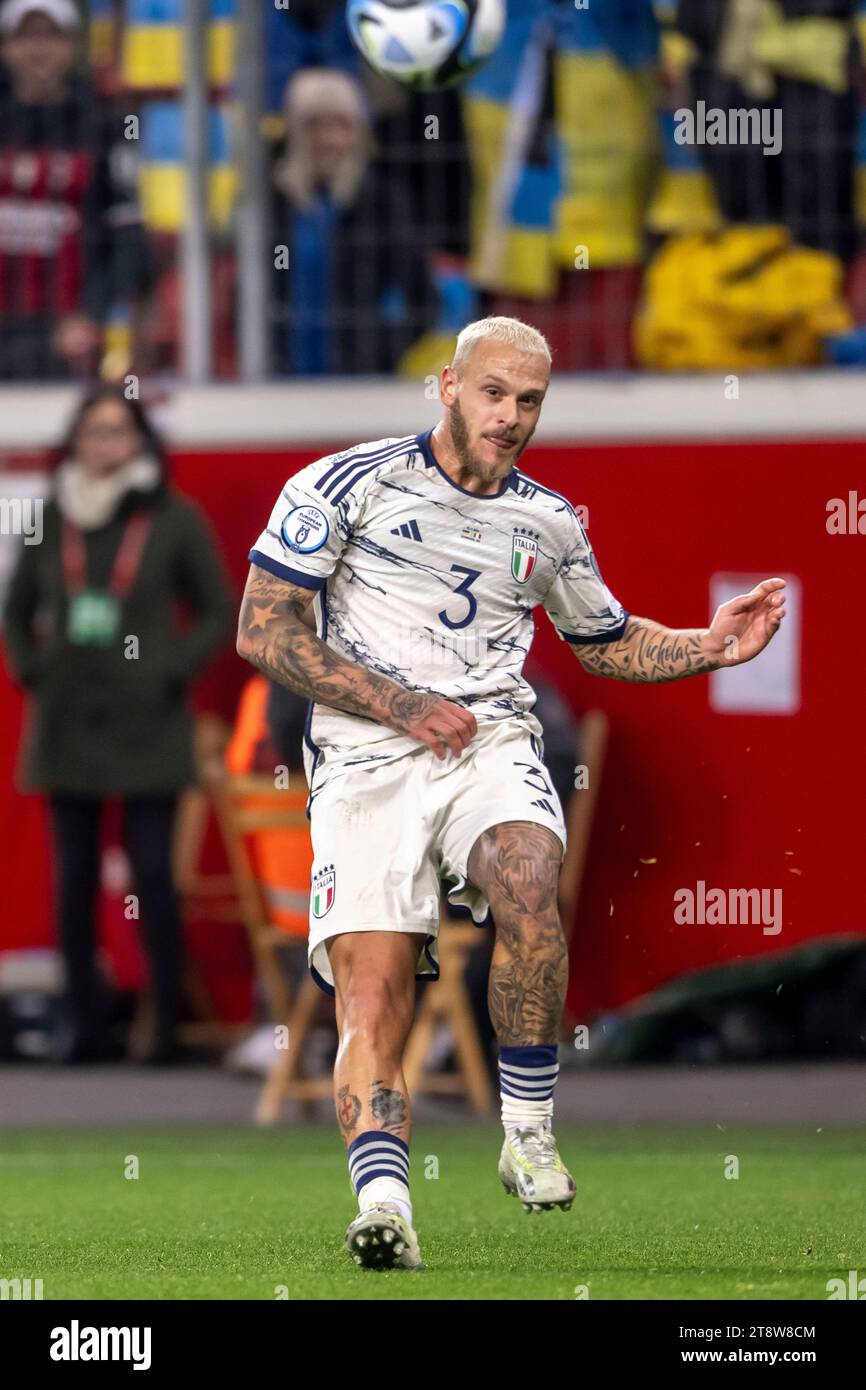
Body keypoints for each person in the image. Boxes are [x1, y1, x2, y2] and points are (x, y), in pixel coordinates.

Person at [236, 315, 786, 1271]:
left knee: (530, 877)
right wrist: (403, 702)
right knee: (373, 995)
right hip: (366, 758)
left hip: (487, 743)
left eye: (529, 400)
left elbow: (602, 638)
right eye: (494, 393)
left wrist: (708, 645)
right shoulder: (343, 486)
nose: (511, 416)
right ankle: (385, 1208)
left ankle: (526, 1130)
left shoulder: (551, 522)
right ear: (448, 386)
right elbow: (263, 630)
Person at [3, 385, 234, 1063]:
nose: (105, 444)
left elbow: (220, 610)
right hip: (67, 715)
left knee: (154, 874)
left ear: (140, 441)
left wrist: (170, 667)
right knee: (71, 878)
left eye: (118, 431)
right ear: (75, 440)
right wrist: (32, 667)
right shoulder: (50, 515)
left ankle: (162, 1027)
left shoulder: (172, 517)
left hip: (149, 721)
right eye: (93, 431)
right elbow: (15, 611)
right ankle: (83, 1026)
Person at [0, 0, 152, 379]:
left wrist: (91, 314)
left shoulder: (106, 126)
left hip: (68, 332)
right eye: (26, 36)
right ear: (6, 47)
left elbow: (130, 236)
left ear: (73, 46)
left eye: (52, 35)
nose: (39, 48)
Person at [269, 67, 438, 375]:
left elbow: (423, 299)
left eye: (341, 125)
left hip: (359, 382)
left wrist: (381, 355)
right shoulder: (270, 202)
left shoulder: (384, 201)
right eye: (314, 126)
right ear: (294, 131)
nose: (329, 139)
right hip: (279, 379)